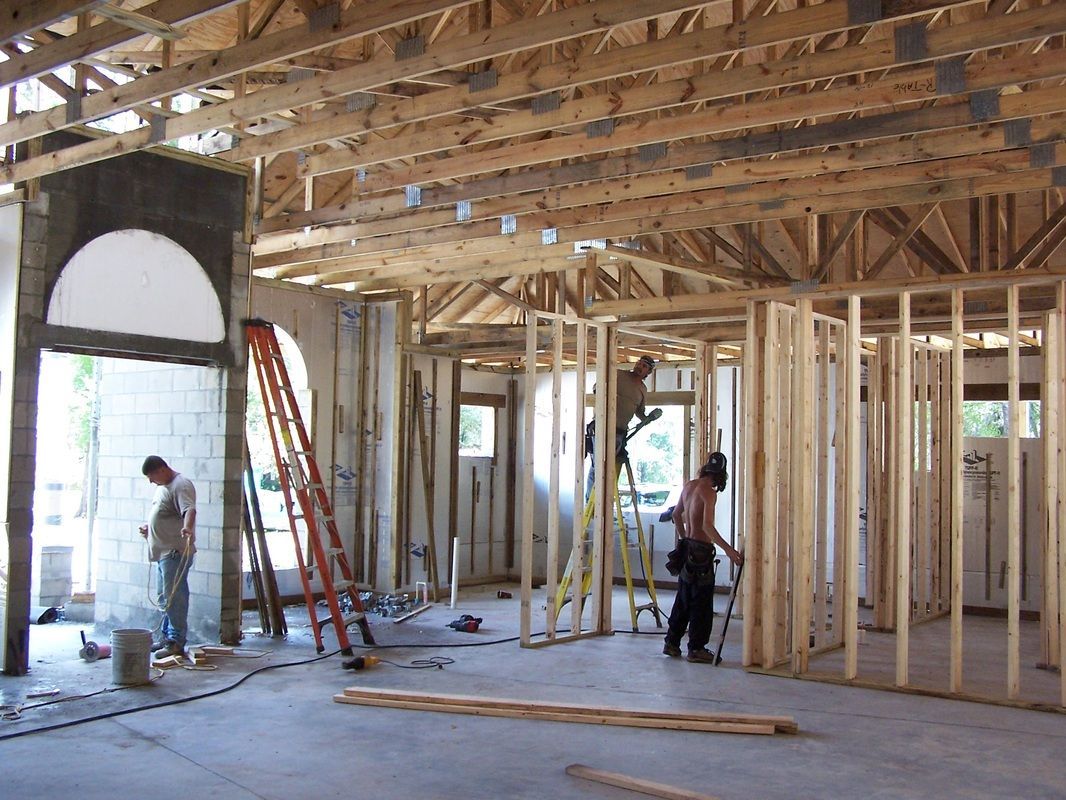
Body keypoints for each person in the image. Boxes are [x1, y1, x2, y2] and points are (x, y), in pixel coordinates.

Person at [663, 452, 743, 663]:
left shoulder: (689, 485)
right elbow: (707, 525)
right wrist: (729, 550)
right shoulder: (709, 492)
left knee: (683, 598)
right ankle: (697, 648)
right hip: (701, 553)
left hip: (688, 547)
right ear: (720, 475)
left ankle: (671, 642)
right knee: (702, 602)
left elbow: (675, 515)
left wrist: (684, 540)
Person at [138, 455, 196, 658]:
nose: (150, 481)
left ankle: (176, 641)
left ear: (162, 470)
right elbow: (164, 515)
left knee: (175, 597)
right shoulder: (163, 487)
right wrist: (150, 529)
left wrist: (187, 528)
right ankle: (166, 637)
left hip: (174, 553)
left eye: (151, 476)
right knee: (164, 597)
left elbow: (189, 509)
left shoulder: (180, 485)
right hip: (163, 553)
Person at [586, 355, 661, 496]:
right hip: (601, 427)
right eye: (639, 363)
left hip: (619, 432)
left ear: (648, 372)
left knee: (608, 468)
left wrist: (647, 419)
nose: (640, 366)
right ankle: (592, 502)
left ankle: (604, 500)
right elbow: (597, 387)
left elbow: (640, 412)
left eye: (644, 366)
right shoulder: (618, 374)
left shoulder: (642, 390)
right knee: (598, 466)